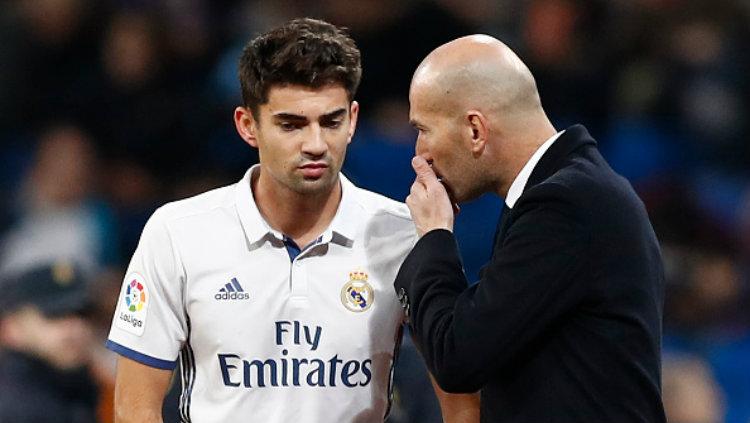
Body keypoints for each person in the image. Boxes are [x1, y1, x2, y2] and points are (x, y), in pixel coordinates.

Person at [106, 18, 478, 423]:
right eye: (291, 124)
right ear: (248, 125)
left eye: (331, 122)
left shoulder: (406, 236)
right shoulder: (177, 233)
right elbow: (134, 408)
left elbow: (461, 401)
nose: (316, 144)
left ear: (353, 120)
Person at [395, 34, 666, 422]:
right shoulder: (573, 192)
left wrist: (434, 237)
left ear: (475, 130)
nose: (419, 152)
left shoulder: (567, 205)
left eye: (423, 130)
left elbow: (457, 356)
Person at [0, 261, 98, 423]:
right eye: (54, 315)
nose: (74, 327)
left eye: (82, 313)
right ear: (12, 328)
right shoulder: (15, 408)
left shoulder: (86, 387)